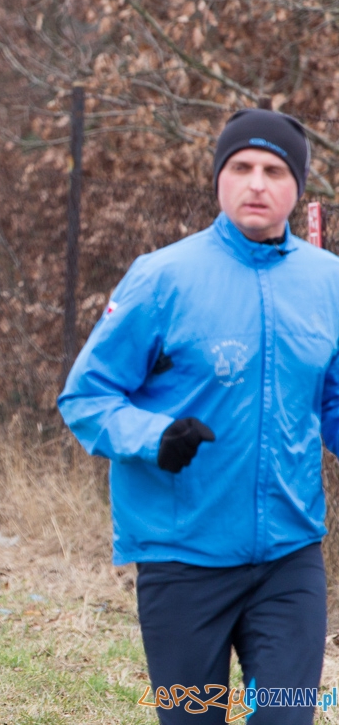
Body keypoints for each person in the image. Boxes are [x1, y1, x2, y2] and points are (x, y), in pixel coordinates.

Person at [59, 109, 338, 725]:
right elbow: (86, 397)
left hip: (290, 559)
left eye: (273, 169)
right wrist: (155, 435)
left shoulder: (328, 283)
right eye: (240, 167)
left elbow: (334, 402)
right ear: (218, 178)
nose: (256, 183)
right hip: (183, 560)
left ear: (299, 184)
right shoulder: (162, 278)